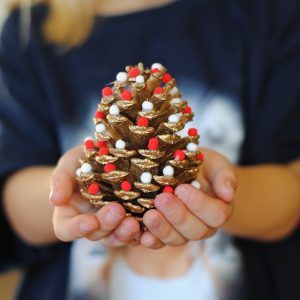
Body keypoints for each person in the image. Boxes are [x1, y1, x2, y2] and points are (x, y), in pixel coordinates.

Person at [0, 0, 299, 299]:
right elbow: (14, 203)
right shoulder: (29, 36)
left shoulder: (271, 14)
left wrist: (212, 191)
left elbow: (290, 197)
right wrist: (80, 185)